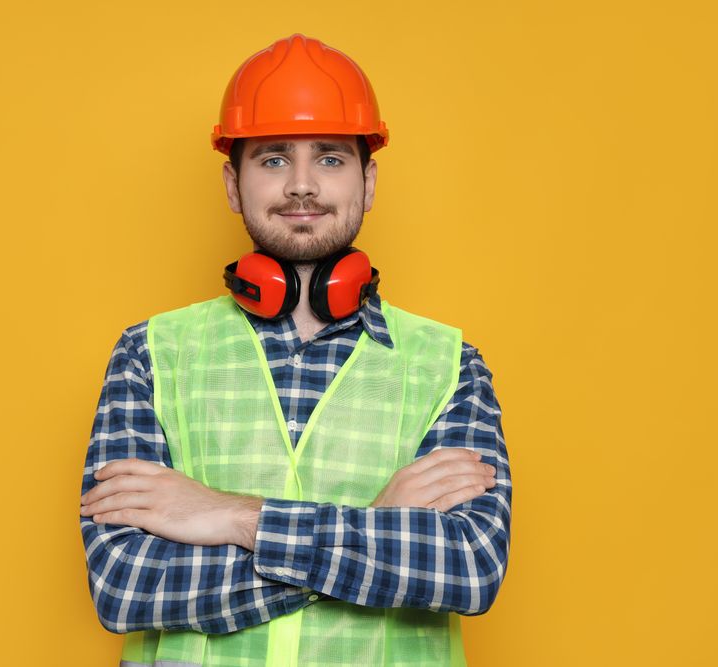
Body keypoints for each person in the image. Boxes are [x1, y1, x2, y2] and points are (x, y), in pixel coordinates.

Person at [78, 33, 511, 667]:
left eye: (331, 159)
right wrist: (375, 525)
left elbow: (466, 567)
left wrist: (233, 517)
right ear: (233, 184)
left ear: (369, 181)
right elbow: (125, 585)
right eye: (274, 159)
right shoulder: (150, 354)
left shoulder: (448, 364)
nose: (302, 186)